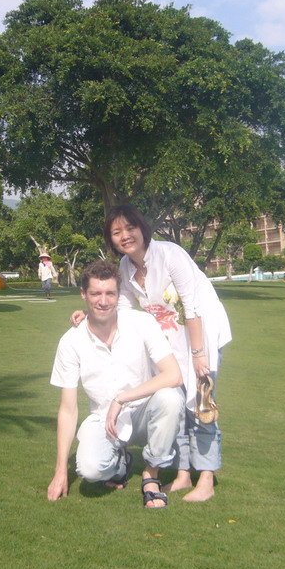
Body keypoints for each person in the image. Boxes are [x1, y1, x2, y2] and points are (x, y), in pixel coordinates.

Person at [75, 205, 232, 502]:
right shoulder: (125, 267)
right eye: (117, 232)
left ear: (142, 229)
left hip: (203, 336)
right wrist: (89, 315)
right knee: (178, 406)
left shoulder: (169, 254)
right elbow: (119, 308)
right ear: (111, 239)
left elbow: (193, 305)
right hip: (174, 341)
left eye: (130, 228)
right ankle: (184, 473)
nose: (125, 236)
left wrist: (200, 355)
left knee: (201, 405)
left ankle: (207, 479)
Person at [48, 260, 184, 509]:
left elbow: (174, 375)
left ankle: (150, 476)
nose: (103, 301)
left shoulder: (140, 323)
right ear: (83, 294)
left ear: (118, 294)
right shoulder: (71, 342)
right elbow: (68, 409)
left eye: (110, 293)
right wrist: (60, 472)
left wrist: (122, 398)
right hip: (104, 420)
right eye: (95, 294)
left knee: (170, 397)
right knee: (90, 470)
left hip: (144, 413)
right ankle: (121, 463)